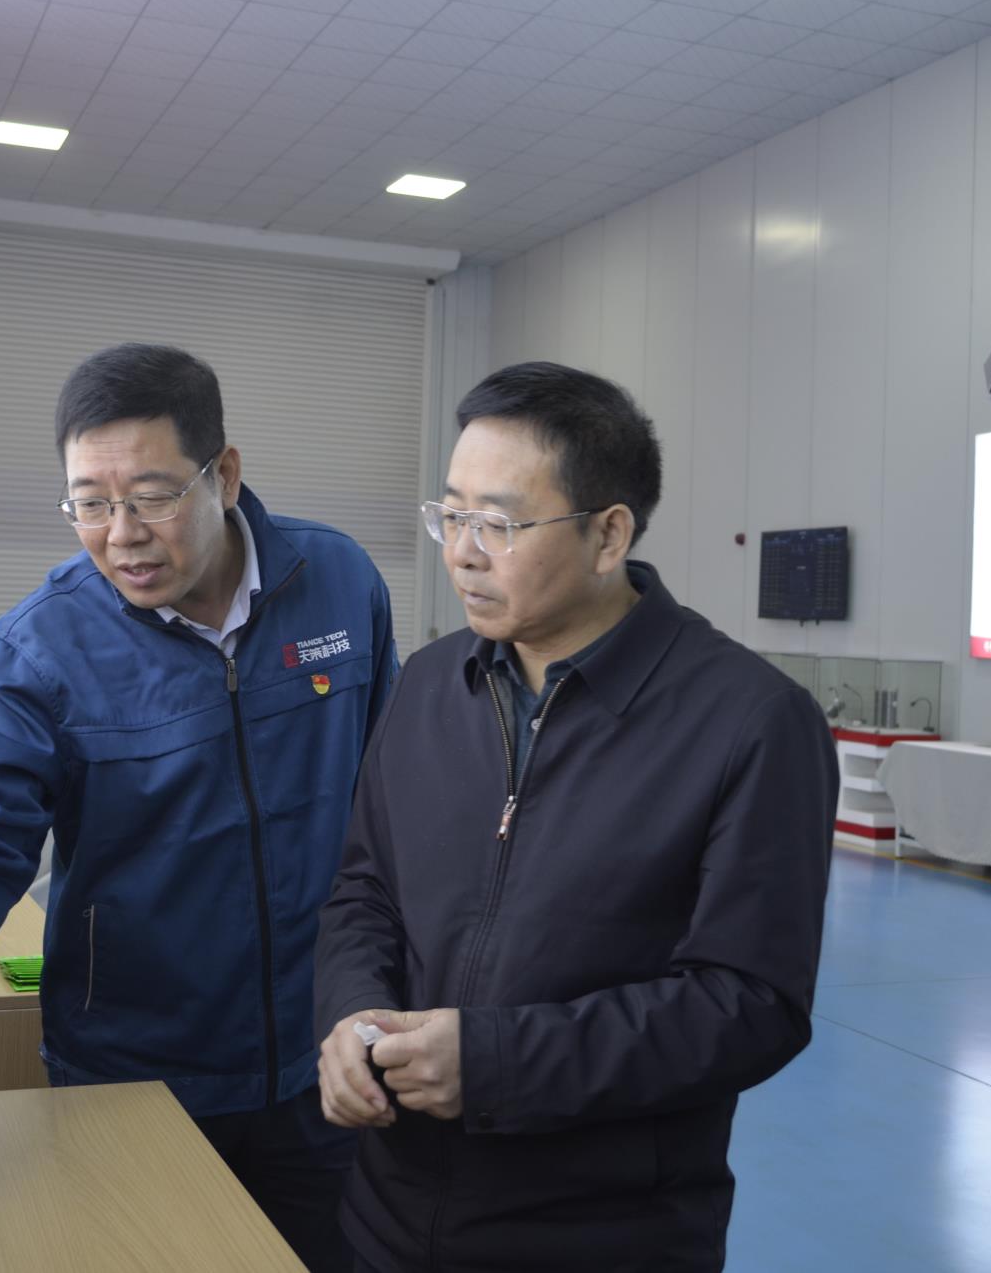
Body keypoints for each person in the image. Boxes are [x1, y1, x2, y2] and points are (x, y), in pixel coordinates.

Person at [0, 344, 398, 1273]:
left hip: (329, 1067)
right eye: (90, 504)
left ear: (224, 475)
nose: (121, 535)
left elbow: (391, 807)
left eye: (151, 496)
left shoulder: (338, 581)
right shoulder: (41, 648)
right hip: (135, 1076)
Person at [314, 362, 838, 1272]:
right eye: (451, 515)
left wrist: (495, 1062)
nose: (462, 552)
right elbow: (366, 890)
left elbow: (751, 1004)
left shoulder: (750, 722)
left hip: (600, 1236)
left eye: (499, 523)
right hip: (387, 1221)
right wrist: (355, 1015)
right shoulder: (432, 683)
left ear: (608, 534)